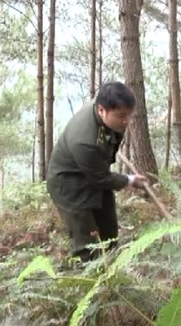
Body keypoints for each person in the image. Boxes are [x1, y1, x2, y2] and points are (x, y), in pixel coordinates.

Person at [46, 82, 148, 262]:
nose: (126, 121)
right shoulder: (85, 141)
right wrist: (129, 180)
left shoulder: (108, 113)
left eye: (128, 115)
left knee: (108, 230)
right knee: (86, 241)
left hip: (93, 173)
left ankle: (111, 269)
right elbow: (100, 178)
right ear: (101, 110)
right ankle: (88, 279)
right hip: (69, 186)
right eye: (121, 116)